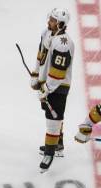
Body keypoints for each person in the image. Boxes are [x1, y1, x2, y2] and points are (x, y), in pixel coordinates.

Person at [30, 8, 75, 172]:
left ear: (61, 24)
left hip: (59, 86)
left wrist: (47, 88)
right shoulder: (46, 33)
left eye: (53, 20)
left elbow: (58, 71)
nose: (49, 21)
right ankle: (58, 144)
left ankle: (49, 153)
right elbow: (40, 56)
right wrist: (36, 76)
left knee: (53, 121)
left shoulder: (64, 43)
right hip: (47, 83)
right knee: (51, 115)